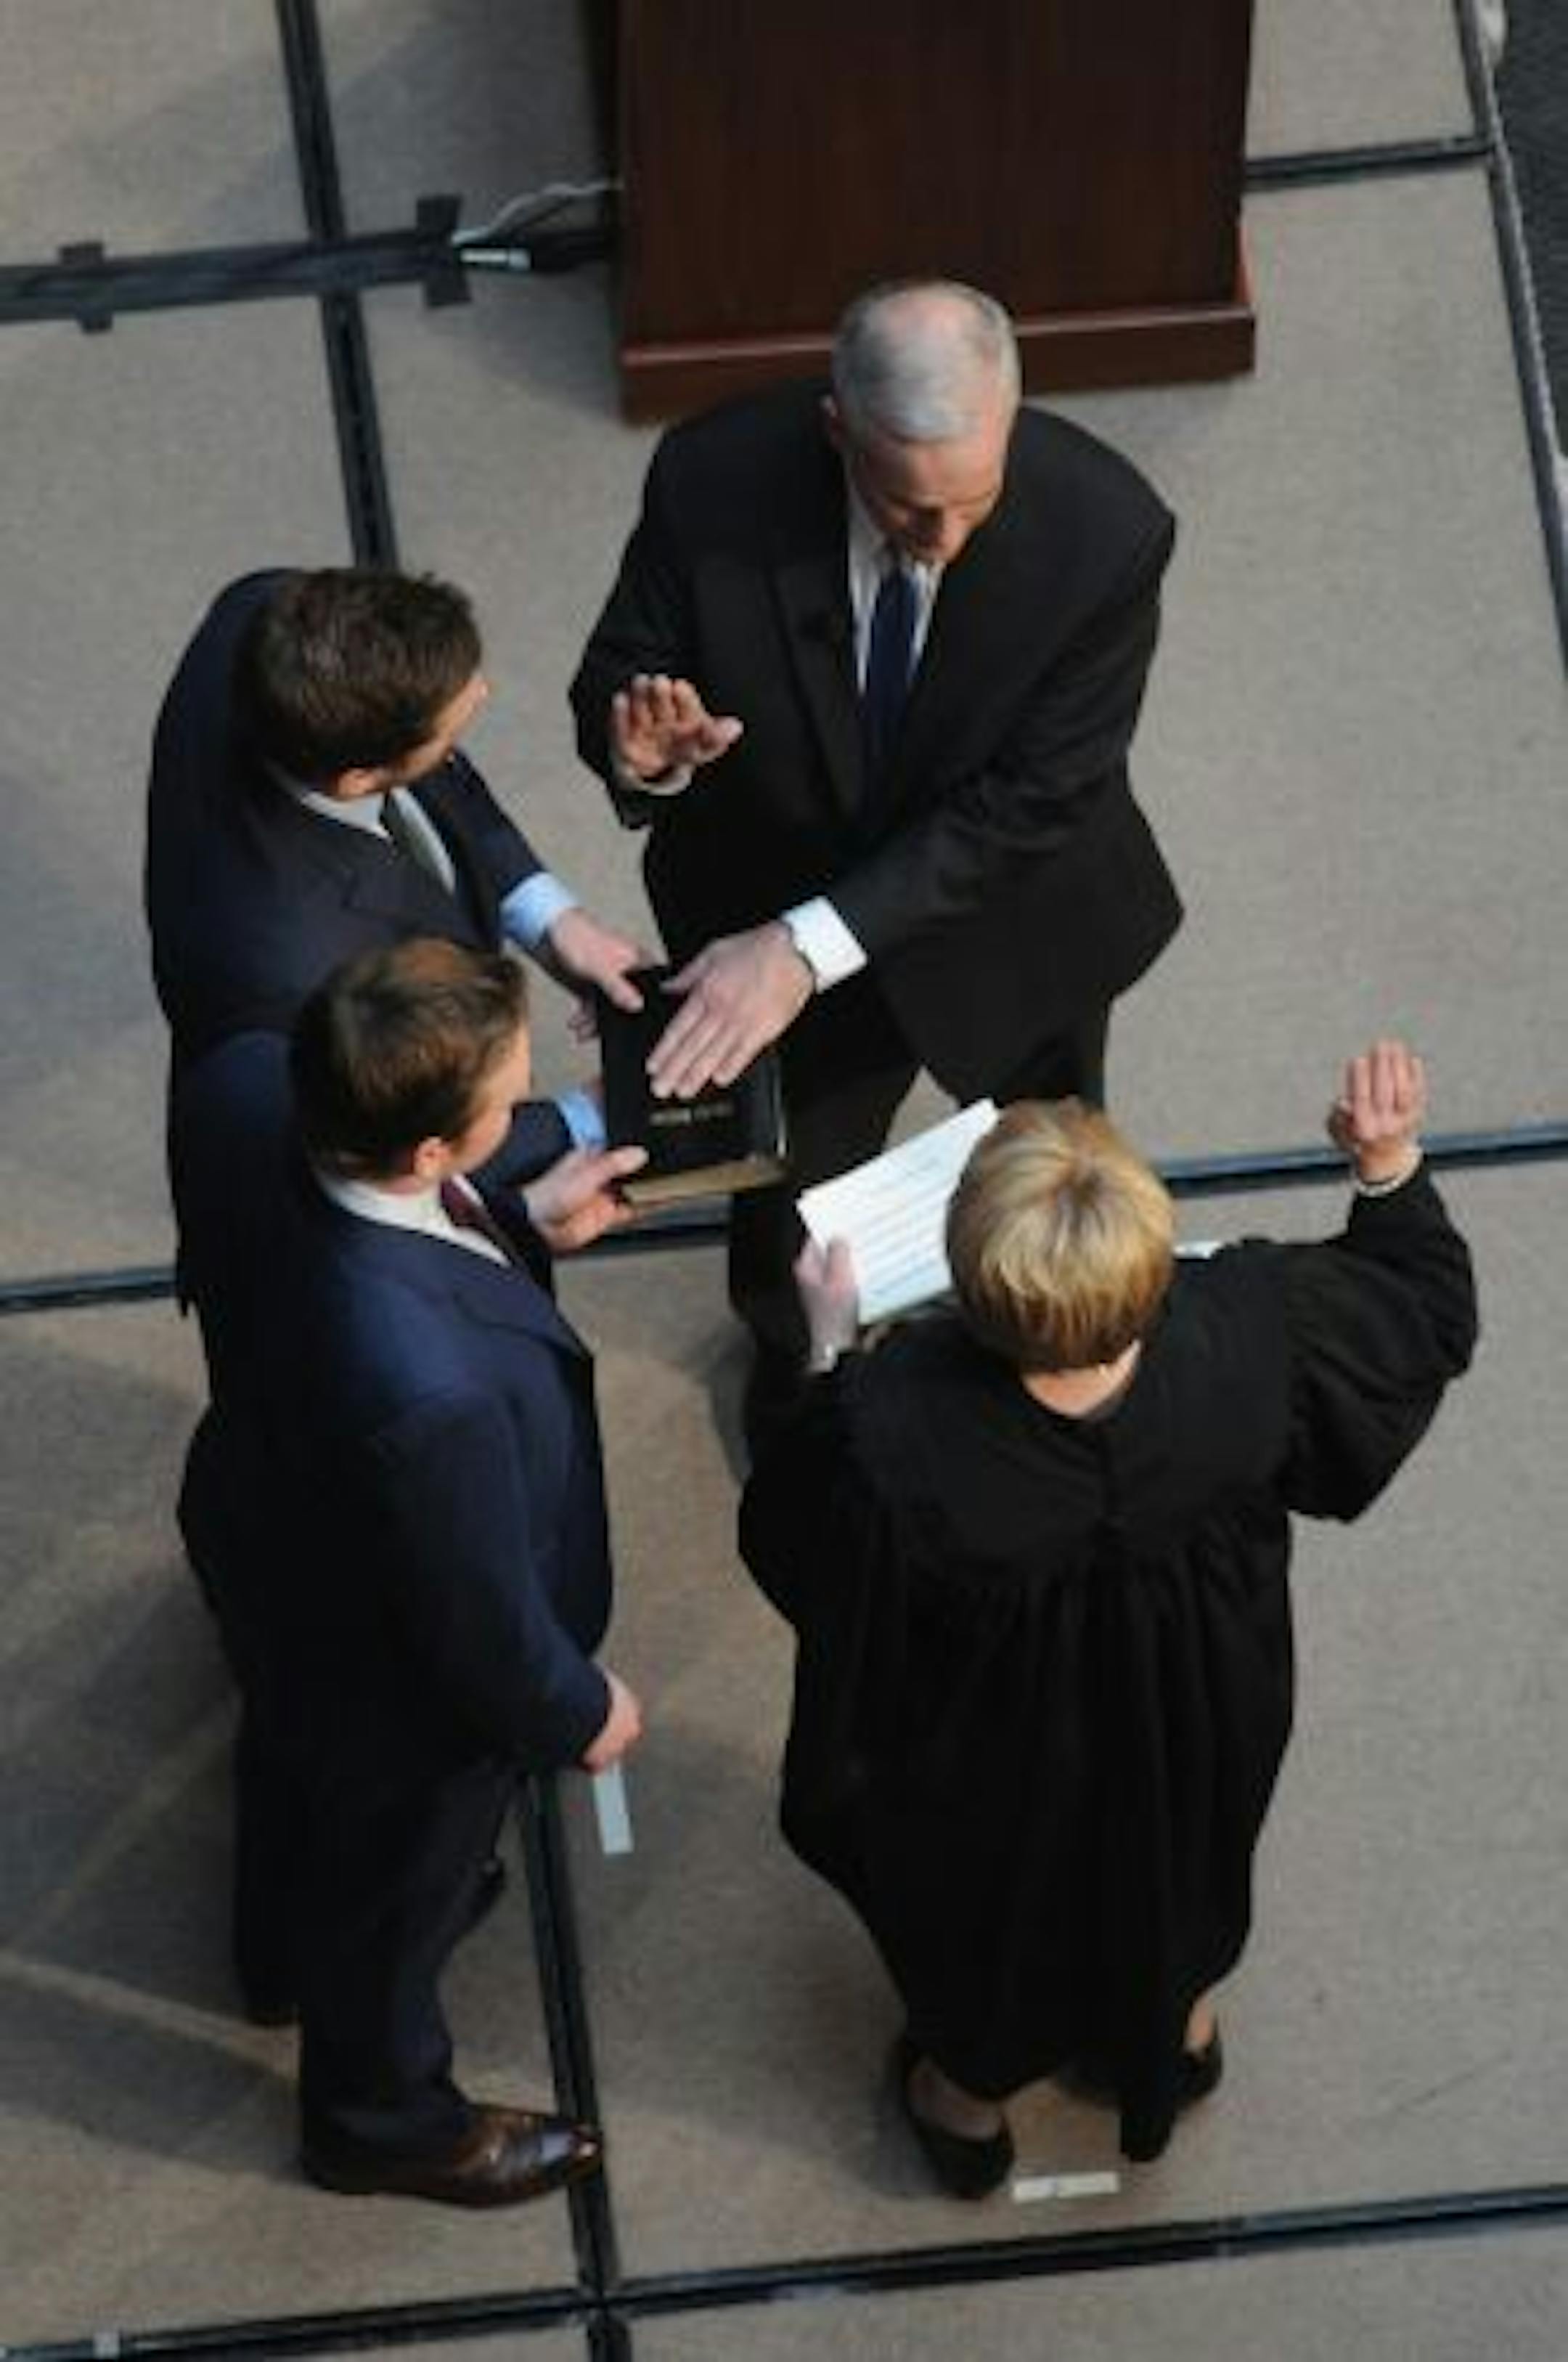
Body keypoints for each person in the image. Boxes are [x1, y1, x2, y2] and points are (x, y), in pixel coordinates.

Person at [738, 1042, 1477, 2188]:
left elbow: (800, 1551)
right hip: (1201, 1702)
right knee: (1183, 1853)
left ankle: (967, 2106)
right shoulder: (1251, 1327)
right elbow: (1417, 1317)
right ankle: (1175, 2036)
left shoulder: (893, 1431)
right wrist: (1385, 1165)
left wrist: (829, 1351)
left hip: (994, 1748)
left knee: (992, 1909)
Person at [571, 279, 1183, 1422]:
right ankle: (806, 1382)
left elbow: (1037, 797)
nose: (942, 543)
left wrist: (806, 948)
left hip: (1010, 921)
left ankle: (1048, 1339)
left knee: (1047, 1165)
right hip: (768, 913)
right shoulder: (712, 479)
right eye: (908, 509)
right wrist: (642, 751)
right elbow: (622, 666)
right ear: (837, 429)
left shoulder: (1108, 531)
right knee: (793, 1203)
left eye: (972, 504)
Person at [173, 937, 647, 2206]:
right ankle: (376, 2116)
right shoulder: (427, 1389)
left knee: (288, 1757)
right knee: (398, 1895)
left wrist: (520, 1226)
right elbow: (476, 1609)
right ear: (433, 1150)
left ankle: (275, 1955)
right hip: (404, 1690)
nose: (521, 1112)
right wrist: (579, 1708)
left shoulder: (246, 1085)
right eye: (507, 1100)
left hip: (274, 1542)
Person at [147, 565, 648, 1184]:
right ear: (356, 779)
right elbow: (371, 1163)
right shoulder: (295, 977)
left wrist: (554, 921)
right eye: (448, 730)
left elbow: (435, 775)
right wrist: (590, 1118)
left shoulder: (265, 610)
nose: (483, 692)